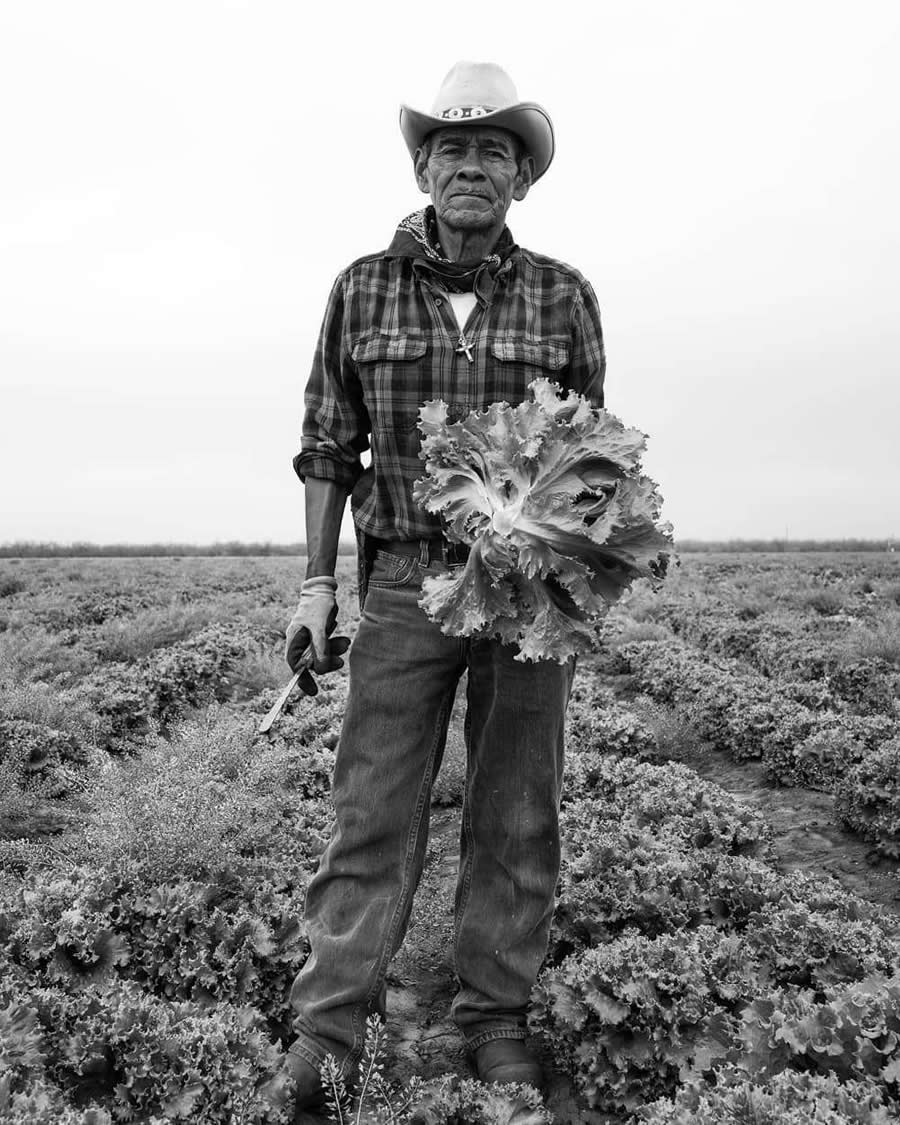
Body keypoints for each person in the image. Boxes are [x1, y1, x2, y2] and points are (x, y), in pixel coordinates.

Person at [282, 61, 606, 1117]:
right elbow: (329, 446)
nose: (473, 167)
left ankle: (495, 1019)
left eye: (495, 151)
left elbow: (591, 454)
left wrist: (576, 552)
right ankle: (332, 1028)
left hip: (525, 593)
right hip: (403, 584)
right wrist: (316, 586)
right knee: (371, 810)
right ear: (425, 167)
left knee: (517, 811)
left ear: (520, 177)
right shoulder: (361, 286)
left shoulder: (564, 294)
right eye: (453, 149)